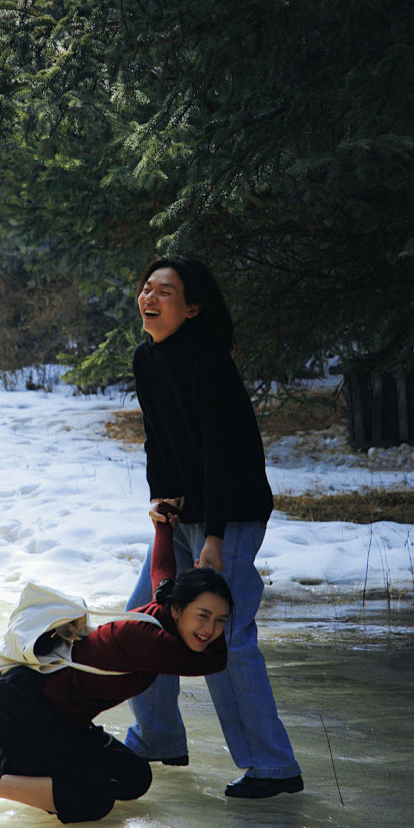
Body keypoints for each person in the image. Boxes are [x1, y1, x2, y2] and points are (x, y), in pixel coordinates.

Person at [0, 505, 233, 824]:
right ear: (178, 609)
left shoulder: (163, 604)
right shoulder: (150, 641)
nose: (210, 630)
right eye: (203, 616)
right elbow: (216, 659)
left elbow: (162, 570)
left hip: (62, 716)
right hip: (24, 709)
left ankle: (20, 765)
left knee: (134, 777)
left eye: (220, 620)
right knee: (93, 800)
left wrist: (165, 526)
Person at [124, 255, 304, 799]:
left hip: (232, 515)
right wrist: (161, 500)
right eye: (147, 288)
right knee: (149, 619)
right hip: (186, 515)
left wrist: (216, 538)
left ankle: (273, 766)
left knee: (226, 636)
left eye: (166, 292)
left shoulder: (209, 362)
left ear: (193, 308)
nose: (150, 298)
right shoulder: (147, 358)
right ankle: (156, 737)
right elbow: (159, 439)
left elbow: (224, 455)